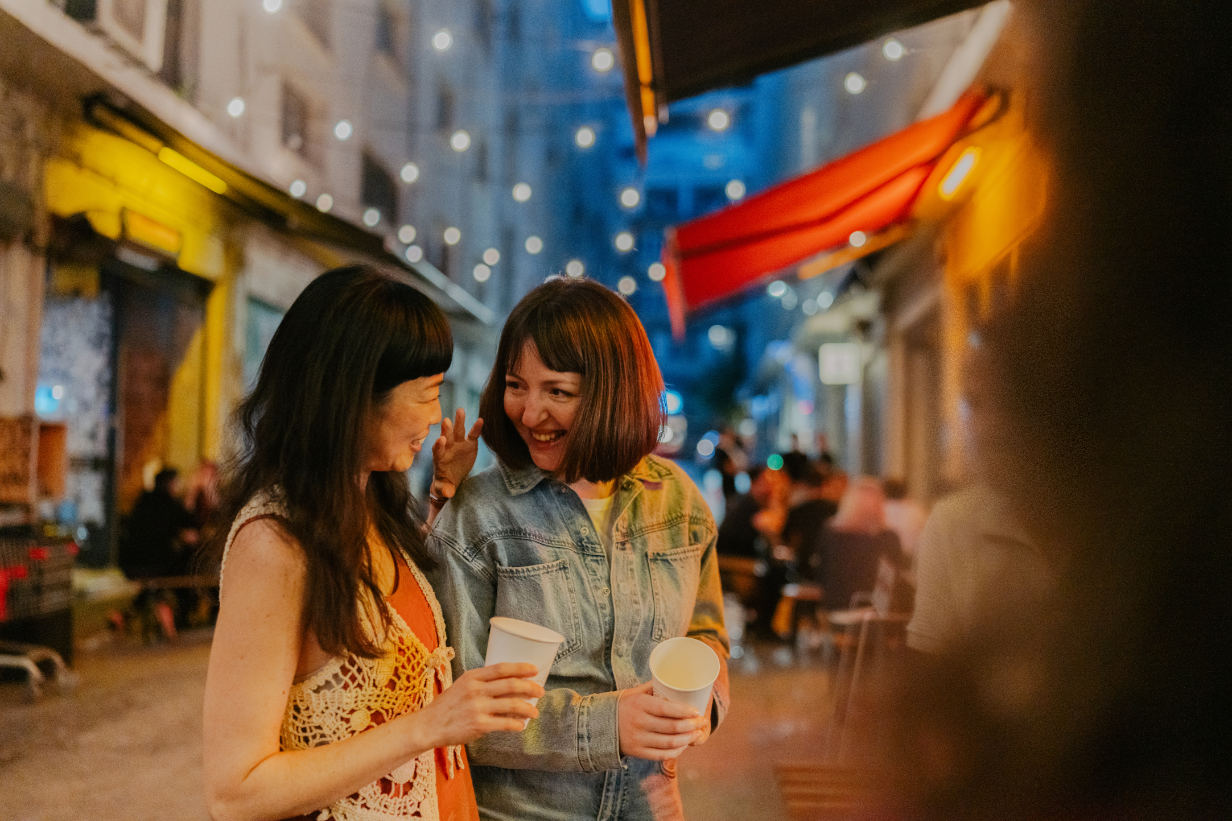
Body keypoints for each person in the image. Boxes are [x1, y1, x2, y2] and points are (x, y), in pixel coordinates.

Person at [201, 266, 543, 821]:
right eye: (427, 394)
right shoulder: (275, 544)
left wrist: (443, 497)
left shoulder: (372, 508)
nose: (436, 417)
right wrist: (432, 724)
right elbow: (236, 792)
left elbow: (395, 624)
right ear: (353, 396)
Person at [429, 277, 730, 820]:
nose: (529, 413)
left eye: (558, 392)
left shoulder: (678, 502)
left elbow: (706, 636)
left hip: (654, 807)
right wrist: (607, 725)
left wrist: (705, 703)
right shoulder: (480, 515)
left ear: (615, 394)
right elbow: (455, 706)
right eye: (516, 385)